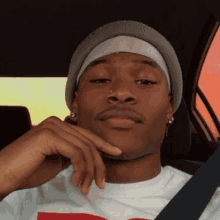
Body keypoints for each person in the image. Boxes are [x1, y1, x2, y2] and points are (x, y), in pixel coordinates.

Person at [0, 20, 220, 220]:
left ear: (169, 108)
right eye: (100, 79)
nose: (122, 92)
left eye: (145, 81)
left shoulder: (212, 204)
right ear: (75, 102)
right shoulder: (19, 195)